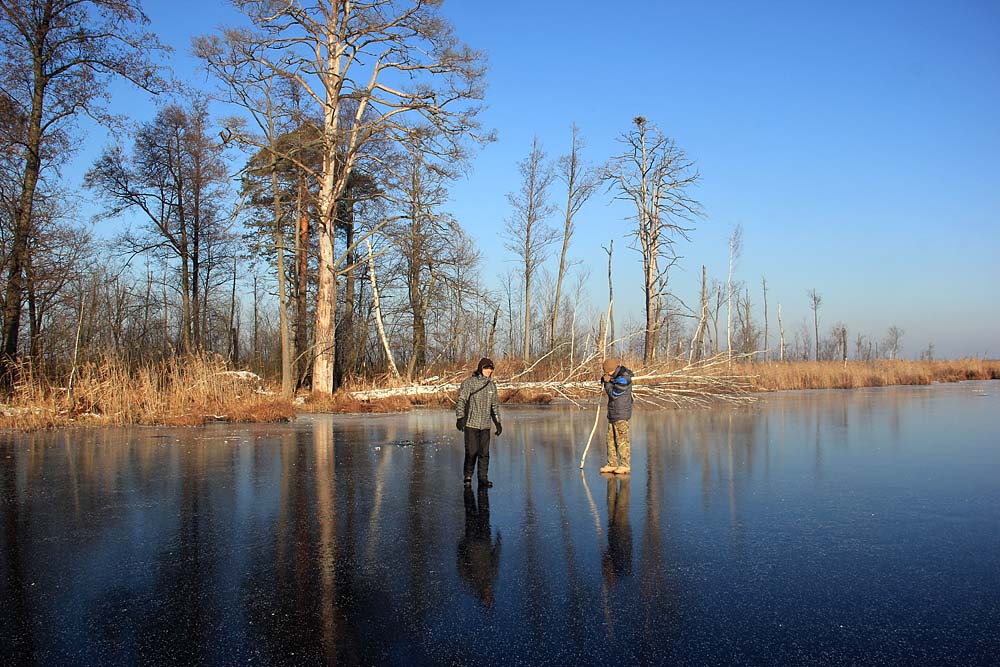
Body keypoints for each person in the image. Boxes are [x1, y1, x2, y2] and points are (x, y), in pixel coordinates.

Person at [455, 357, 502, 487]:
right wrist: (460, 418)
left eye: (491, 368)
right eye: (486, 368)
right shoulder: (469, 383)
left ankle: (483, 478)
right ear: (481, 368)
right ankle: (468, 475)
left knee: (484, 454)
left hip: (485, 425)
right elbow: (461, 400)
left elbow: (494, 406)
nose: (489, 371)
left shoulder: (492, 385)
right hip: (471, 423)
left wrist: (498, 423)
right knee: (472, 451)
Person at [456, 486, 501, 608]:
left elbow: (462, 568)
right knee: (478, 513)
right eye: (490, 598)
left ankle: (474, 494)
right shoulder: (487, 580)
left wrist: (460, 551)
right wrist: (498, 542)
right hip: (478, 543)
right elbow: (495, 560)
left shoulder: (472, 585)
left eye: (487, 599)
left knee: (476, 514)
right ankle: (473, 493)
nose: (488, 596)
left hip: (475, 543)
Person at [599, 357, 634, 475]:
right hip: (613, 413)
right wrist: (606, 380)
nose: (607, 374)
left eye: (608, 371)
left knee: (622, 440)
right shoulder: (614, 377)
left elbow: (614, 393)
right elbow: (611, 383)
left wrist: (607, 383)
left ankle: (625, 465)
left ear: (613, 369)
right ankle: (612, 463)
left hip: (621, 413)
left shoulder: (625, 378)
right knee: (610, 440)